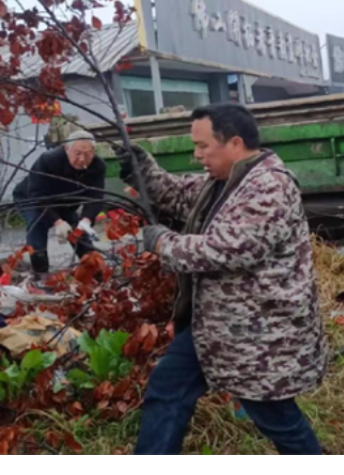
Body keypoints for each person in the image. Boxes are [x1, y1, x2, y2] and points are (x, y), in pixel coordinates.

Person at [118, 103, 327, 456]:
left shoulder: (268, 186)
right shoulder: (223, 181)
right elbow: (177, 193)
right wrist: (140, 167)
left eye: (203, 146)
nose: (196, 155)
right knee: (167, 389)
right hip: (213, 328)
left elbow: (229, 251)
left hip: (258, 335)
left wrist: (163, 243)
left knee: (275, 417)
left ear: (234, 143)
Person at [13, 131, 105, 276]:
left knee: (78, 230)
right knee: (38, 222)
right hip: (31, 196)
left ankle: (95, 271)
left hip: (64, 201)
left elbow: (96, 196)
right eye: (77, 153)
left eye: (88, 155)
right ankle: (40, 274)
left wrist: (87, 220)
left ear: (94, 152)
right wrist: (57, 222)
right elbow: (38, 194)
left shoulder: (98, 166)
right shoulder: (48, 161)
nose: (82, 159)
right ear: (66, 149)